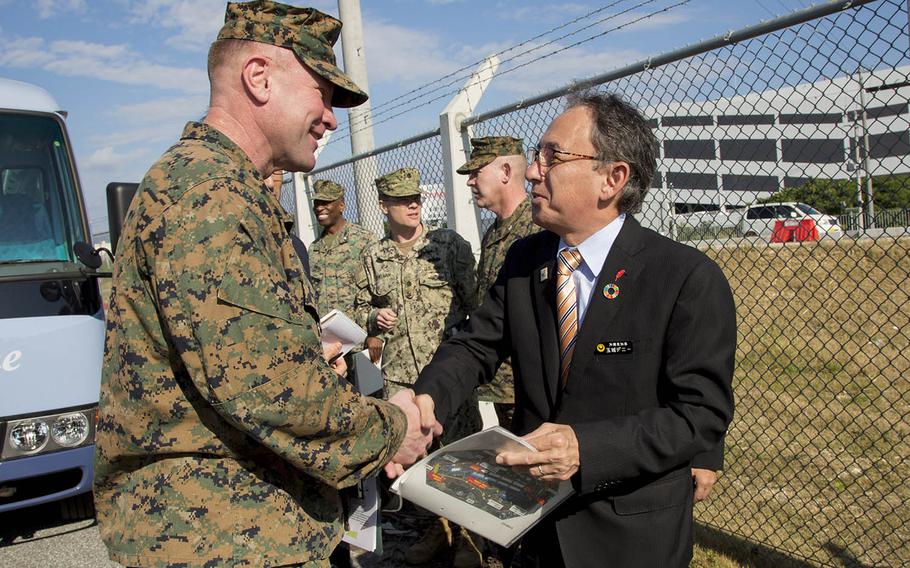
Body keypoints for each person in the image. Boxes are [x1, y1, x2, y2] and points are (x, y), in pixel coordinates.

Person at [93, 3, 437, 567]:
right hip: (223, 535)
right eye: (322, 95)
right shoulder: (211, 196)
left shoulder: (215, 186)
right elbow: (267, 388)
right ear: (258, 78)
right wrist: (390, 429)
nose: (329, 118)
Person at [408, 91, 736, 568]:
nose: (535, 170)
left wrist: (587, 448)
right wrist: (425, 400)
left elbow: (699, 415)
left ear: (612, 178)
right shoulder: (527, 260)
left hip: (629, 535)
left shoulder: (684, 278)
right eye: (538, 155)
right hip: (533, 528)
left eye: (552, 156)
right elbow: (476, 345)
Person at [354, 167, 482, 567]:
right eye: (402, 200)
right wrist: (375, 320)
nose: (413, 205)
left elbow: (477, 306)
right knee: (413, 468)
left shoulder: (448, 246)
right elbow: (357, 314)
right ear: (383, 206)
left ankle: (471, 542)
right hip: (401, 383)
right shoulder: (373, 257)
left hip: (448, 379)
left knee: (462, 460)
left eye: (416, 198)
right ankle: (430, 534)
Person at [458, 135, 537, 429]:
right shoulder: (494, 232)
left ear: (505, 172)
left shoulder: (536, 228)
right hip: (503, 386)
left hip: (527, 386)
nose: (470, 182)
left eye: (476, 173)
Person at [309, 179, 378, 318]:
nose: (319, 208)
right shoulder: (314, 249)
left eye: (326, 203)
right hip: (327, 333)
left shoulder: (364, 240)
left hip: (358, 331)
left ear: (341, 206)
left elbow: (379, 290)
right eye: (316, 203)